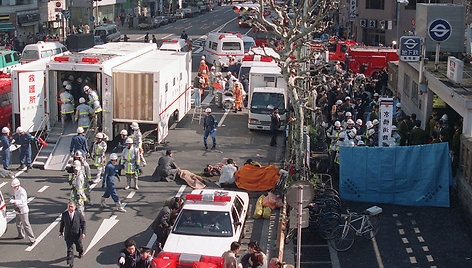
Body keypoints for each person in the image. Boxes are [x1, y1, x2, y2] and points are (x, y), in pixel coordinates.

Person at [10, 177, 36, 246]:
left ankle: (32, 239)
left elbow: (23, 202)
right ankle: (21, 235)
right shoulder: (16, 190)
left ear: (18, 185)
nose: (14, 188)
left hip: (23, 211)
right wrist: (13, 198)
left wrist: (14, 201)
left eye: (15, 186)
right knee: (18, 224)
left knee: (26, 225)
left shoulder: (22, 191)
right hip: (18, 210)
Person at [59, 202, 86, 268]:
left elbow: (83, 224)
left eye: (71, 207)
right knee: (70, 249)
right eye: (69, 207)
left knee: (79, 246)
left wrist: (83, 233)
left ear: (75, 208)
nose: (70, 208)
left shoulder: (78, 214)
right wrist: (61, 231)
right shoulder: (64, 214)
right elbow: (62, 223)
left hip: (77, 234)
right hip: (68, 235)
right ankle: (71, 263)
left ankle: (80, 252)